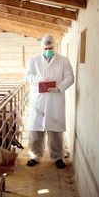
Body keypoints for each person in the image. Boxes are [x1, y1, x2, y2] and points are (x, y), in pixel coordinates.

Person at [25, 35, 74, 169]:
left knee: (56, 130)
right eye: (46, 48)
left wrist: (59, 87)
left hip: (55, 98)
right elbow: (28, 76)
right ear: (42, 48)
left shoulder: (63, 60)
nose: (48, 50)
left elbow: (70, 77)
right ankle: (35, 156)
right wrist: (39, 80)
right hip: (39, 99)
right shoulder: (33, 59)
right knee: (36, 130)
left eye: (50, 48)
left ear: (55, 46)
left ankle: (58, 157)